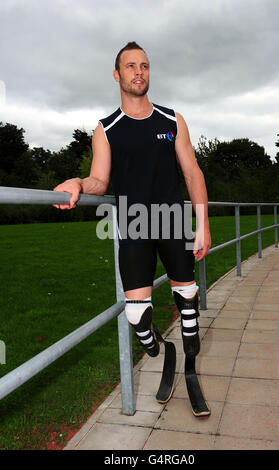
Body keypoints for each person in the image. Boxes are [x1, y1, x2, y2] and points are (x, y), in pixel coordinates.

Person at [53, 41, 211, 369]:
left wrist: (203, 226)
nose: (139, 72)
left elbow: (193, 174)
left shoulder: (173, 120)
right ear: (116, 74)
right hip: (135, 225)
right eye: (131, 66)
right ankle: (153, 341)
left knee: (186, 295)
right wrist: (79, 183)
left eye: (144, 66)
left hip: (173, 221)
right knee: (136, 314)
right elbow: (99, 181)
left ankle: (190, 326)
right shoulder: (106, 129)